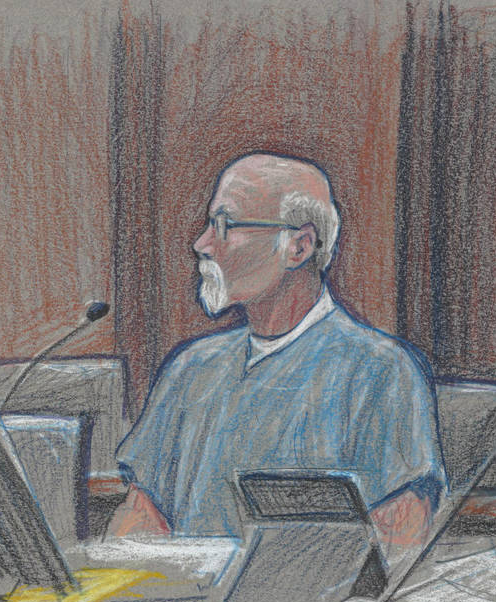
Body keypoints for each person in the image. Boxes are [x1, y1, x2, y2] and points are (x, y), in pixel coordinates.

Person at [109, 153, 446, 565]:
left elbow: (398, 543)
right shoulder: (190, 368)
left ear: (298, 247)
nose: (202, 244)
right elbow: (138, 523)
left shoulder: (382, 372)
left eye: (224, 226)